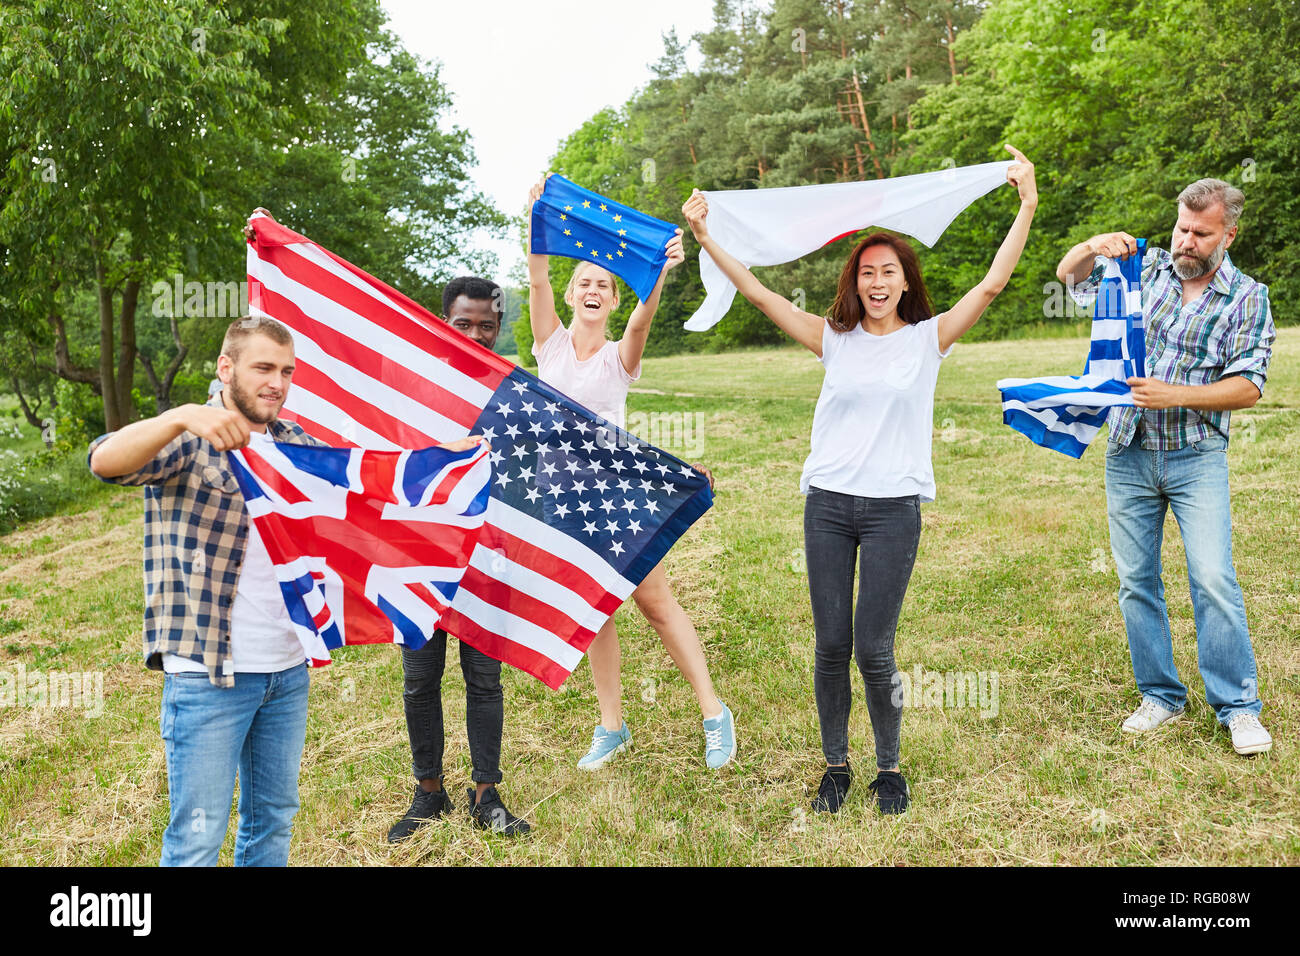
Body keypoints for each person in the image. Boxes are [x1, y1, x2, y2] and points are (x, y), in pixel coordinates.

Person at [682, 146, 1038, 814]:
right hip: (827, 507)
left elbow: (990, 286)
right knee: (830, 644)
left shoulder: (928, 339)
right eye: (868, 271)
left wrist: (1025, 206)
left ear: (906, 282)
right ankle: (835, 766)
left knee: (874, 648)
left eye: (889, 272)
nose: (877, 281)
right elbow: (758, 292)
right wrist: (707, 236)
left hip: (892, 511)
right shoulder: (832, 339)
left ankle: (890, 768)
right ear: (856, 281)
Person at [1056, 178, 1275, 756]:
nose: (1187, 241)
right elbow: (1070, 280)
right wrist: (1090, 247)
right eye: (1182, 228)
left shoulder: (1248, 296)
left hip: (1196, 456)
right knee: (1135, 582)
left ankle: (1239, 707)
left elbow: (1249, 387)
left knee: (1212, 579)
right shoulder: (1142, 270)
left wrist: (1175, 393)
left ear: (1229, 234)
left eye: (1201, 234)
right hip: (1127, 451)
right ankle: (1160, 695)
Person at [526, 175, 737, 771]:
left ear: (614, 301)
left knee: (654, 600)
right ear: (572, 295)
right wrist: (537, 212)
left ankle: (714, 712)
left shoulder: (621, 357)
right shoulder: (550, 347)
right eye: (585, 283)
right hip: (561, 494)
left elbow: (645, 321)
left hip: (615, 493)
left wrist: (661, 271)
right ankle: (611, 726)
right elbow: (537, 275)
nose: (594, 291)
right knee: (594, 610)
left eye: (604, 286)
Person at [387, 276, 532, 842]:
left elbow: (566, 450)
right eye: (463, 324)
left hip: (485, 557)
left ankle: (485, 792)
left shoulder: (514, 393)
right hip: (421, 555)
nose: (476, 334)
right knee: (420, 678)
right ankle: (429, 791)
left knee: (484, 677)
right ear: (442, 322)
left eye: (487, 326)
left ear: (499, 328)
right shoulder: (412, 389)